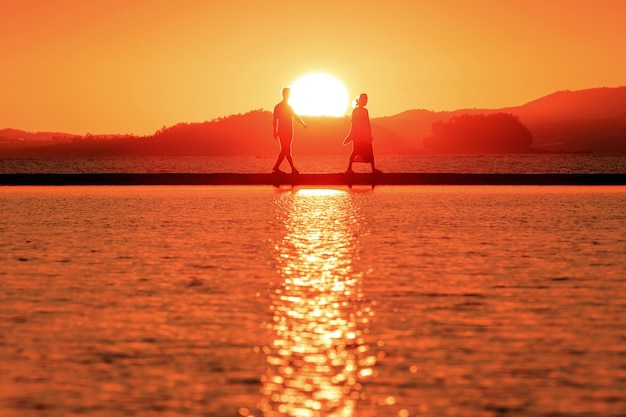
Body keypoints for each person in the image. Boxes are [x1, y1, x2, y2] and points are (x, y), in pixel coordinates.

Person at [343, 93, 382, 174]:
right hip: (358, 136)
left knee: (370, 152)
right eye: (365, 100)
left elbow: (368, 123)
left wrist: (370, 134)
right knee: (355, 151)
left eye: (366, 100)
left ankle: (373, 169)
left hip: (366, 135)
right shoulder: (355, 111)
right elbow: (353, 124)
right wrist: (350, 136)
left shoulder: (365, 111)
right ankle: (349, 169)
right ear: (361, 100)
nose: (366, 101)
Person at [272, 87, 307, 174]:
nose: (288, 95)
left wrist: (303, 123)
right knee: (286, 149)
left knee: (286, 149)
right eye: (287, 94)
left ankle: (279, 168)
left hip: (289, 130)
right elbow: (274, 119)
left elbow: (295, 116)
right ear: (284, 94)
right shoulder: (278, 107)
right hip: (283, 130)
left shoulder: (289, 107)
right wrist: (274, 131)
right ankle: (290, 168)